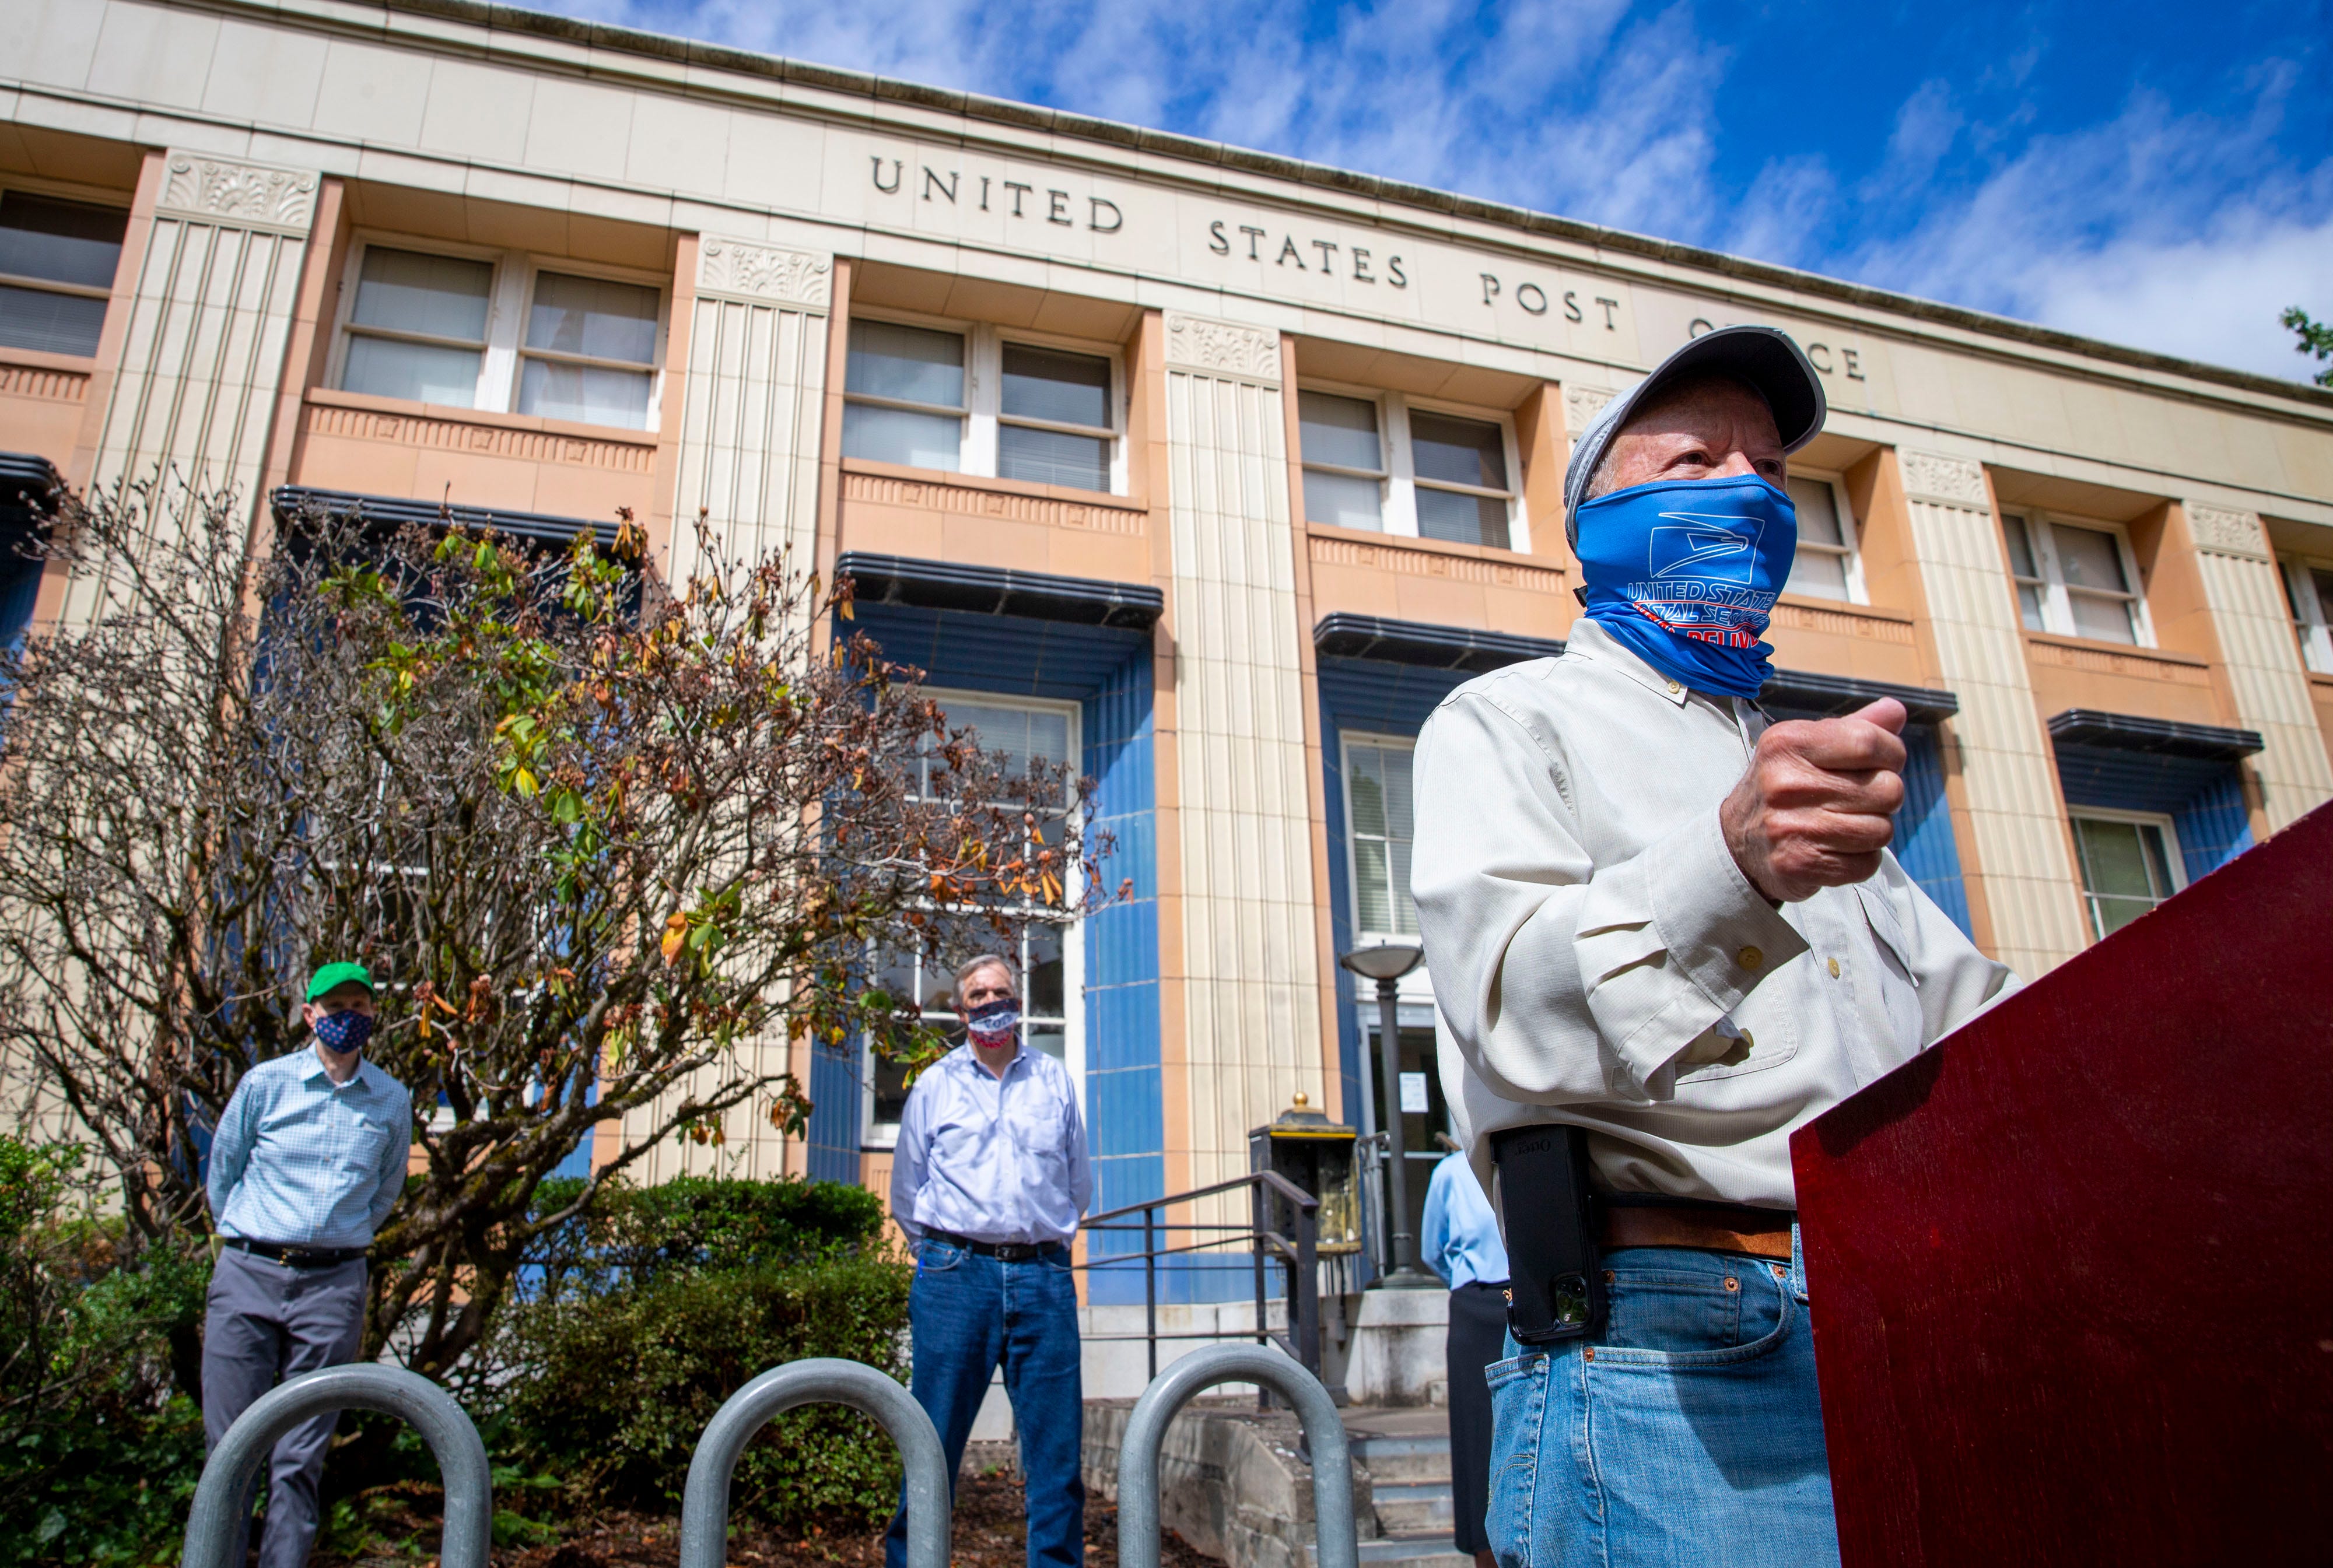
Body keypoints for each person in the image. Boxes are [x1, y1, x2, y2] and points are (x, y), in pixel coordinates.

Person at [1410, 325, 2018, 1568]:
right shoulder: (1508, 720)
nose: (1743, 492)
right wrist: (1727, 867)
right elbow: (1509, 1012)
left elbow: (1987, 1051)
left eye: (1771, 472)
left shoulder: (1805, 780)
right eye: (1693, 459)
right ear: (1592, 519)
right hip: (1667, 1348)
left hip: (1894, 1328)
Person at [885, 953, 1092, 1568]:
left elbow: (1077, 1183)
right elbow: (907, 1192)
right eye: (978, 995)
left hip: (1044, 1279)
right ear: (961, 1009)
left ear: (1017, 999)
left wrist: (1043, 1246)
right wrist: (947, 1259)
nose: (991, 1002)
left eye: (1001, 991)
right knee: (931, 1449)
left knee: (1057, 1460)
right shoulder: (935, 1085)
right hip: (956, 1280)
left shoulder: (1053, 1081)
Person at [204, 962, 413, 1568]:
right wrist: (255, 1237)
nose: (347, 1016)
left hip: (333, 1284)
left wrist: (334, 1239)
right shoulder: (265, 1085)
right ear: (310, 1014)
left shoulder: (390, 1099)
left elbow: (385, 1190)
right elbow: (224, 1173)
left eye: (360, 1005)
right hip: (249, 1274)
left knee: (300, 1456)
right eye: (335, 1005)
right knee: (231, 1450)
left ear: (373, 1014)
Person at [1418, 1135, 1509, 1568]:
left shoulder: (1515, 1156)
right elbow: (1432, 1251)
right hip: (1474, 1306)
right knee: (1477, 1433)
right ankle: (1483, 1551)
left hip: (1526, 1301)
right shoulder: (1449, 1173)